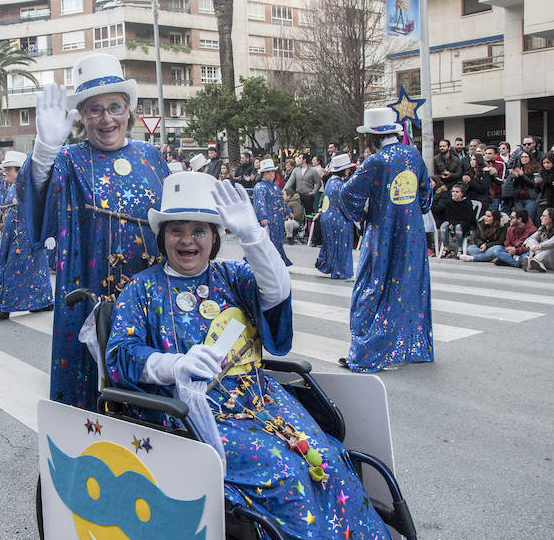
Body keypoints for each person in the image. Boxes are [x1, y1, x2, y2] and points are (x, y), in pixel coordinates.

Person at [106, 173, 392, 539]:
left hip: (261, 397)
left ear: (214, 237)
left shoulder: (232, 276)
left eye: (199, 230)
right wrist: (174, 365)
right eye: (177, 230)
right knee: (285, 473)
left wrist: (253, 236)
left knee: (329, 458)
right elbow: (120, 356)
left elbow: (275, 293)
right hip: (192, 412)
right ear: (163, 237)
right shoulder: (142, 288)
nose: (187, 240)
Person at [17, 53, 169, 409]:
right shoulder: (69, 160)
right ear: (82, 117)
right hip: (90, 296)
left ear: (129, 110)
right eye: (94, 110)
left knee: (152, 379)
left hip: (151, 293)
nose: (106, 119)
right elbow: (38, 207)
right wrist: (43, 154)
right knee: (93, 388)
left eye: (114, 107)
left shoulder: (151, 155)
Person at [339, 108, 433, 372]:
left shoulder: (376, 162)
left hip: (383, 233)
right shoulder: (413, 155)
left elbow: (347, 194)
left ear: (371, 137)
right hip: (412, 235)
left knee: (372, 287)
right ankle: (404, 346)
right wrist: (415, 211)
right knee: (406, 287)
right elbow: (426, 193)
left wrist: (364, 214)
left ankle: (369, 351)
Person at [0, 151, 53, 320]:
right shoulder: (13, 187)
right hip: (13, 236)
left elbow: (44, 212)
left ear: (20, 170)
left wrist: (47, 234)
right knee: (26, 270)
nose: (5, 173)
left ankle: (6, 307)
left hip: (27, 237)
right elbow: (8, 209)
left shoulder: (31, 189)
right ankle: (40, 301)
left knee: (17, 270)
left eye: (9, 170)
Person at [314, 153, 355, 279]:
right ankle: (340, 270)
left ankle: (329, 266)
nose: (349, 170)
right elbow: (345, 205)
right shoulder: (340, 185)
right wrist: (354, 217)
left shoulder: (331, 182)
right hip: (338, 219)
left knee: (331, 245)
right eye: (347, 168)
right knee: (341, 246)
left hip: (327, 218)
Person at [251, 158, 293, 266]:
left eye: (273, 172)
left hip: (278, 219)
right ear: (263, 174)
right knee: (268, 241)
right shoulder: (259, 187)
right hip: (269, 220)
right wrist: (263, 217)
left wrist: (288, 211)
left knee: (278, 240)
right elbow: (260, 203)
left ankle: (277, 261)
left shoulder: (275, 186)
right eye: (268, 172)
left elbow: (281, 201)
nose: (271, 174)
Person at [520, 206, 554, 272]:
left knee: (551, 245)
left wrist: (537, 247)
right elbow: (526, 241)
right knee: (532, 241)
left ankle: (533, 262)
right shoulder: (542, 229)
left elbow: (552, 242)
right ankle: (537, 263)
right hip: (546, 259)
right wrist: (531, 247)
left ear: (551, 218)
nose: (540, 218)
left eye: (544, 216)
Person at [438, 184, 476, 258]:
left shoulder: (467, 203)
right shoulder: (449, 202)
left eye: (457, 192)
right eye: (453, 191)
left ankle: (460, 249)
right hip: (452, 222)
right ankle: (446, 248)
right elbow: (447, 216)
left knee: (459, 227)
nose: (454, 193)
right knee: (443, 226)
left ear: (462, 194)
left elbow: (468, 217)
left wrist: (454, 224)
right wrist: (450, 223)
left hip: (464, 223)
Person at [510, 150, 540, 224]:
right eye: (522, 157)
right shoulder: (518, 168)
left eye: (525, 157)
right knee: (519, 221)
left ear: (530, 158)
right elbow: (514, 186)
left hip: (530, 198)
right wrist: (516, 177)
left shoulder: (535, 168)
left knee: (529, 220)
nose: (523, 158)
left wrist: (522, 175)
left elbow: (533, 184)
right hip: (518, 198)